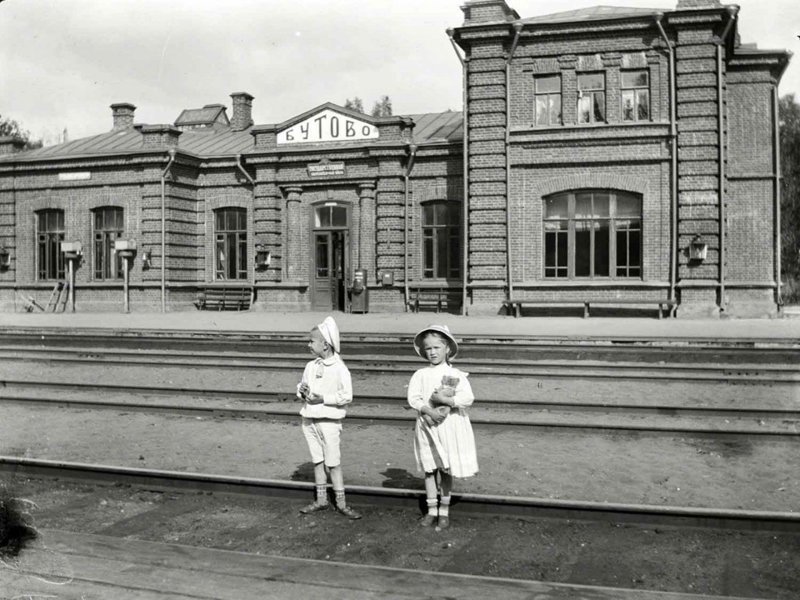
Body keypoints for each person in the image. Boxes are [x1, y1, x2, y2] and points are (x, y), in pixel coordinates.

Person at [407, 324, 477, 530]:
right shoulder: (420, 374)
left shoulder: (456, 375)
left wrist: (447, 402)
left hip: (449, 426)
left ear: (447, 348)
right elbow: (414, 397)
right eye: (428, 348)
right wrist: (428, 411)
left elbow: (468, 398)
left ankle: (444, 512)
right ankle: (431, 510)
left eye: (437, 347)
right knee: (430, 470)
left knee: (445, 470)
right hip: (427, 426)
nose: (432, 352)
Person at [296, 316, 361, 519]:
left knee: (332, 462)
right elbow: (301, 386)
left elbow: (346, 396)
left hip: (329, 422)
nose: (308, 344)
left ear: (325, 345)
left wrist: (323, 398)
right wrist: (302, 391)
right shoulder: (311, 366)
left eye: (312, 341)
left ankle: (341, 502)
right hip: (310, 420)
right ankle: (322, 500)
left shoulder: (340, 369)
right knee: (318, 460)